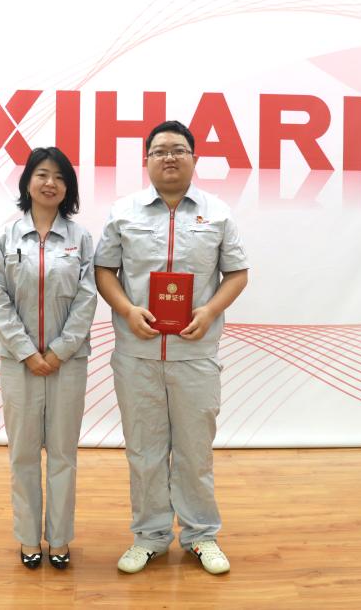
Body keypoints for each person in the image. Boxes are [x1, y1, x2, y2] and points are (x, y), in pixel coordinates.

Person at [94, 120, 250, 575]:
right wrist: (127, 310)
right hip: (136, 355)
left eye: (178, 150)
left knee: (194, 452)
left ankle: (201, 535)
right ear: (146, 160)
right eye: (159, 150)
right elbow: (104, 270)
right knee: (143, 451)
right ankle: (150, 536)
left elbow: (237, 273)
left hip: (195, 355)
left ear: (194, 158)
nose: (169, 157)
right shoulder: (123, 212)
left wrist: (210, 311)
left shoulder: (218, 213)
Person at [0, 146, 96, 570]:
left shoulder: (81, 239)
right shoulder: (5, 238)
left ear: (68, 187)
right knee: (24, 454)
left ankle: (61, 539)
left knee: (64, 453)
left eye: (60, 177)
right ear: (28, 181)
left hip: (69, 363)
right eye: (42, 175)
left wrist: (61, 349)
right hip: (19, 364)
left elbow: (87, 298)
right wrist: (28, 352)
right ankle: (29, 538)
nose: (51, 183)